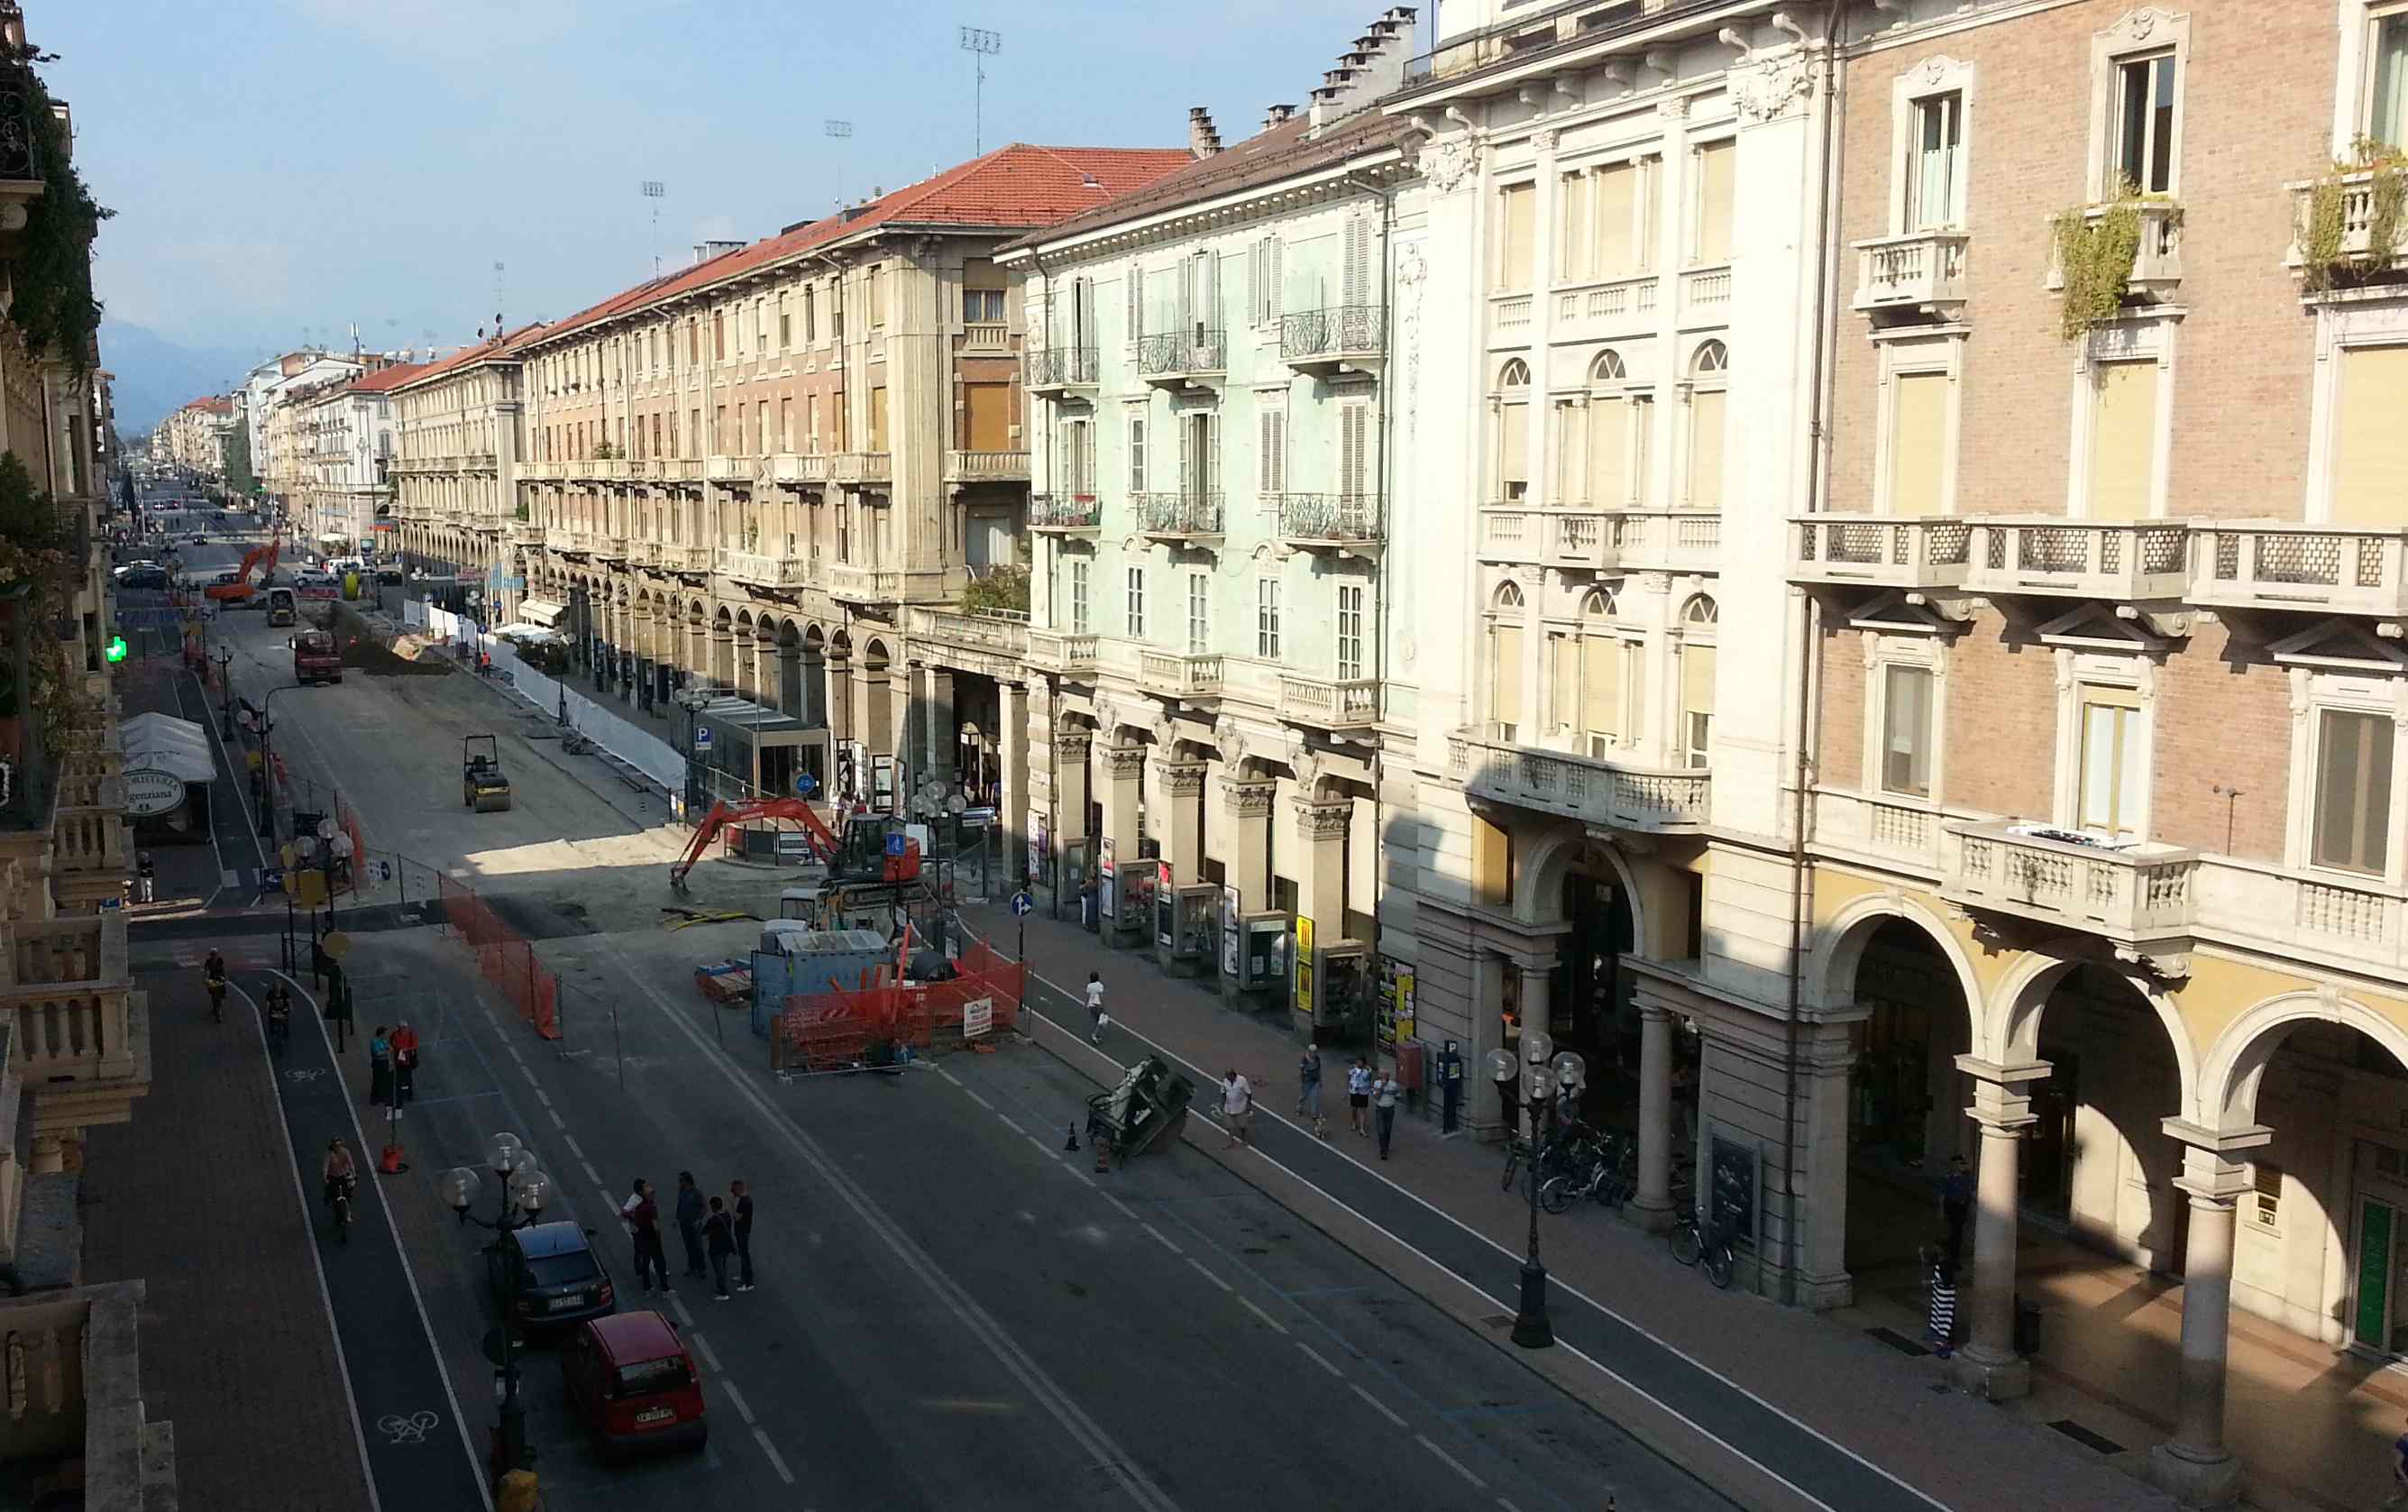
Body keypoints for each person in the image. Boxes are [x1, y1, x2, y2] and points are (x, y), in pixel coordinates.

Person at [620, 1178, 670, 1295]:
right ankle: (659, 1282)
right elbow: (624, 1211)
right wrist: (634, 1219)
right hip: (643, 1234)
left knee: (644, 1255)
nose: (649, 1189)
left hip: (642, 1233)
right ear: (641, 1192)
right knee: (647, 1256)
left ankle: (646, 1282)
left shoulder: (642, 1204)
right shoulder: (638, 1202)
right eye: (646, 1187)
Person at [1940, 1154, 1973, 1268]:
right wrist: (1942, 1211)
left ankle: (1952, 1255)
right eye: (1960, 1164)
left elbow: (1968, 1193)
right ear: (1954, 1165)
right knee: (1956, 1232)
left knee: (1957, 1233)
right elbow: (1943, 1195)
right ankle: (1952, 1257)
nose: (1962, 1166)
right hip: (1952, 1206)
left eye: (1963, 1164)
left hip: (1962, 1207)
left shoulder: (1966, 1178)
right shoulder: (1949, 1178)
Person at [1927, 1249, 1958, 1360]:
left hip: (1945, 1297)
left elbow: (1946, 1281)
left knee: (1944, 1320)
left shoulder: (1944, 1265)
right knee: (1938, 1319)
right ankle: (1941, 1342)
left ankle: (1945, 1346)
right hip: (1939, 1296)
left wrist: (1931, 1282)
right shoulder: (1941, 1264)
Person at [703, 1196, 736, 1301]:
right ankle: (721, 1287)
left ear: (713, 1206)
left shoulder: (713, 1219)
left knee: (719, 1270)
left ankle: (723, 1292)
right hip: (726, 1245)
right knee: (723, 1266)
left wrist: (710, 1233)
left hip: (716, 1247)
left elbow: (703, 1231)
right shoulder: (727, 1215)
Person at [675, 1171, 707, 1280]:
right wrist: (677, 1218)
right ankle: (692, 1266)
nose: (679, 1182)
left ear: (687, 1181)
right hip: (684, 1224)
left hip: (694, 1225)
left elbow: (704, 1207)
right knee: (688, 1246)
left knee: (697, 1246)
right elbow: (680, 1204)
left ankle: (701, 1268)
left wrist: (699, 1220)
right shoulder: (682, 1191)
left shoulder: (696, 1192)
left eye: (681, 1180)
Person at [1371, 1062, 1404, 1160]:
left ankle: (1386, 1145)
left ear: (1388, 1076)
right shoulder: (1377, 1083)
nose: (1383, 1077)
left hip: (1390, 1109)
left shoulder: (1393, 1085)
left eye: (1385, 1075)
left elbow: (1398, 1096)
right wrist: (1382, 1087)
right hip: (1380, 1109)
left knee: (1388, 1130)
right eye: (1382, 1075)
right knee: (1381, 1131)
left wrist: (1394, 1094)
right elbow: (1376, 1096)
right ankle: (1383, 1151)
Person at [1220, 1068, 1255, 1150]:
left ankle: (1243, 1138)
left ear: (1233, 1075)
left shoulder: (1242, 1080)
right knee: (1230, 1126)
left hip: (1240, 1108)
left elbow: (1248, 1093)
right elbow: (1223, 1092)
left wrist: (1249, 1105)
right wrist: (1222, 1104)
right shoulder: (1225, 1081)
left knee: (1242, 1126)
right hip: (1228, 1107)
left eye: (1228, 1076)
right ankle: (1230, 1142)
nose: (1227, 1078)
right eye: (1226, 1076)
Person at [730, 1179, 755, 1292]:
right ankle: (743, 1275)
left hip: (742, 1232)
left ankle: (748, 1282)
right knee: (743, 1254)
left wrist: (732, 1205)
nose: (732, 1192)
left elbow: (737, 1217)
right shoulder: (746, 1199)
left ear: (738, 1189)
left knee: (744, 1255)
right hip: (744, 1231)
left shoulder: (743, 1202)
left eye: (733, 1189)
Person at [1296, 1042, 1325, 1137]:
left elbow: (1319, 1070)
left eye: (1316, 1052)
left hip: (1315, 1081)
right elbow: (1301, 1070)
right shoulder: (1304, 1059)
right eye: (1313, 1052)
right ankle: (1299, 1108)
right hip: (1307, 1081)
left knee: (1315, 1097)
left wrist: (1320, 1080)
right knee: (1304, 1096)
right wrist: (1301, 1081)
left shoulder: (1317, 1059)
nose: (1315, 1054)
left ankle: (1314, 1114)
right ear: (1309, 1052)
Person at [323, 1137, 356, 1213]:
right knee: (330, 1191)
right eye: (336, 1145)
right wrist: (325, 1177)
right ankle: (328, 1200)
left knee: (347, 1193)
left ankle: (348, 1210)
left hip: (343, 1175)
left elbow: (351, 1164)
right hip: (332, 1176)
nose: (337, 1147)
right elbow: (325, 1166)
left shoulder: (345, 1152)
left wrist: (354, 1173)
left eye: (339, 1145)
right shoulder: (330, 1154)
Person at [390, 1020, 420, 1105]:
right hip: (399, 1060)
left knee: (408, 1078)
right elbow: (392, 1042)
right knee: (400, 1078)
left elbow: (415, 1045)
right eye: (400, 1028)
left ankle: (409, 1094)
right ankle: (401, 1094)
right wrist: (397, 1048)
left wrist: (407, 1049)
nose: (401, 1029)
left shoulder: (411, 1034)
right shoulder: (395, 1034)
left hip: (407, 1060)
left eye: (402, 1028)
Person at [368, 1025, 394, 1106]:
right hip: (378, 1064)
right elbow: (377, 1053)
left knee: (383, 1080)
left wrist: (388, 1051)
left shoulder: (383, 1041)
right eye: (385, 1033)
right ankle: (374, 1099)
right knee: (377, 1081)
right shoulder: (375, 1042)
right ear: (381, 1034)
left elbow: (388, 1048)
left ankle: (381, 1096)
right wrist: (386, 1052)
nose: (386, 1035)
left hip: (384, 1062)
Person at [1347, 1058, 1373, 1137]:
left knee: (1363, 1110)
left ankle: (1362, 1129)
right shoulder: (1353, 1069)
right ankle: (1354, 1123)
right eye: (1357, 1061)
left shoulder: (1367, 1071)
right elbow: (1349, 1077)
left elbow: (1368, 1078)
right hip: (1354, 1092)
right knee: (1354, 1109)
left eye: (1360, 1062)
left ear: (1364, 1063)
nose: (1358, 1063)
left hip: (1363, 1093)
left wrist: (1367, 1070)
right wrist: (1349, 1087)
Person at [1085, 971, 1107, 1045]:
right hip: (1097, 1005)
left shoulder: (1089, 986)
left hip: (1091, 1006)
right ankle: (1094, 1035)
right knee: (1102, 1020)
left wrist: (1086, 1004)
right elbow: (1101, 996)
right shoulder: (1100, 985)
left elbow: (1088, 996)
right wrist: (1103, 1006)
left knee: (1097, 1020)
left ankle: (1096, 1033)